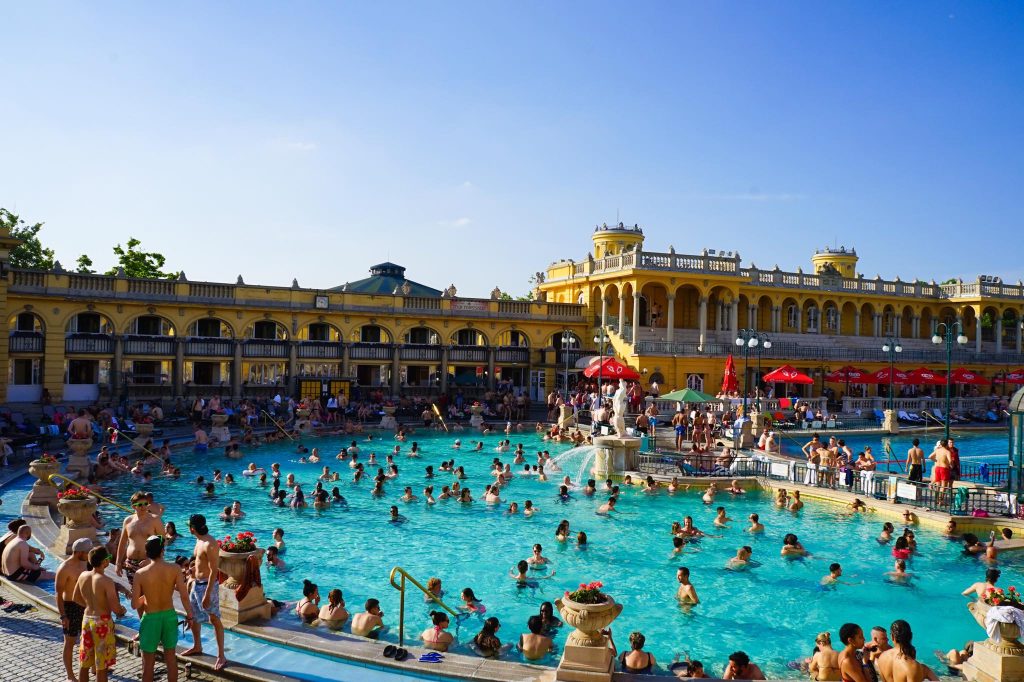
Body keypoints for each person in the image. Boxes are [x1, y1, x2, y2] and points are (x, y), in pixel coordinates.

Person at [132, 535, 194, 682]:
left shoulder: (140, 574)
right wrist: (190, 616)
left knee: (148, 664)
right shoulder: (175, 569)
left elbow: (135, 605)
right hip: (169, 617)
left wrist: (146, 597)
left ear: (147, 553)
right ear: (162, 551)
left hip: (150, 618)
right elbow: (184, 596)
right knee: (171, 660)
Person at [74, 547, 127, 682]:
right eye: (108, 559)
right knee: (101, 665)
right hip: (102, 623)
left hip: (87, 620)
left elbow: (75, 598)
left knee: (84, 661)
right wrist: (122, 610)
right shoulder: (106, 581)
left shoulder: (83, 576)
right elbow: (115, 608)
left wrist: (89, 605)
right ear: (104, 562)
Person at [182, 514, 227, 670]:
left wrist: (207, 594)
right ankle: (197, 646)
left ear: (192, 528)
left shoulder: (210, 543)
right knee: (193, 616)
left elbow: (215, 571)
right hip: (197, 583)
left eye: (189, 526)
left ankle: (221, 655)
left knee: (214, 619)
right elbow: (200, 561)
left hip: (208, 585)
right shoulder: (198, 539)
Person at [56, 538, 92, 682]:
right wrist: (63, 616)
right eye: (87, 552)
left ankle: (94, 668)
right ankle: (70, 675)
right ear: (79, 553)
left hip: (86, 606)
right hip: (70, 607)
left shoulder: (86, 564)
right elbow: (58, 594)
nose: (89, 555)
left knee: (89, 639)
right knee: (70, 642)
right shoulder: (65, 568)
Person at [116, 492, 165, 587]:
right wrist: (118, 563)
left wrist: (151, 560)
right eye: (140, 505)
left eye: (146, 504)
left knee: (149, 594)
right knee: (134, 592)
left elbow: (163, 542)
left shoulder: (155, 520)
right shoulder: (128, 521)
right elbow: (122, 543)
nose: (143, 507)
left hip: (149, 563)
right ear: (133, 506)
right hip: (131, 563)